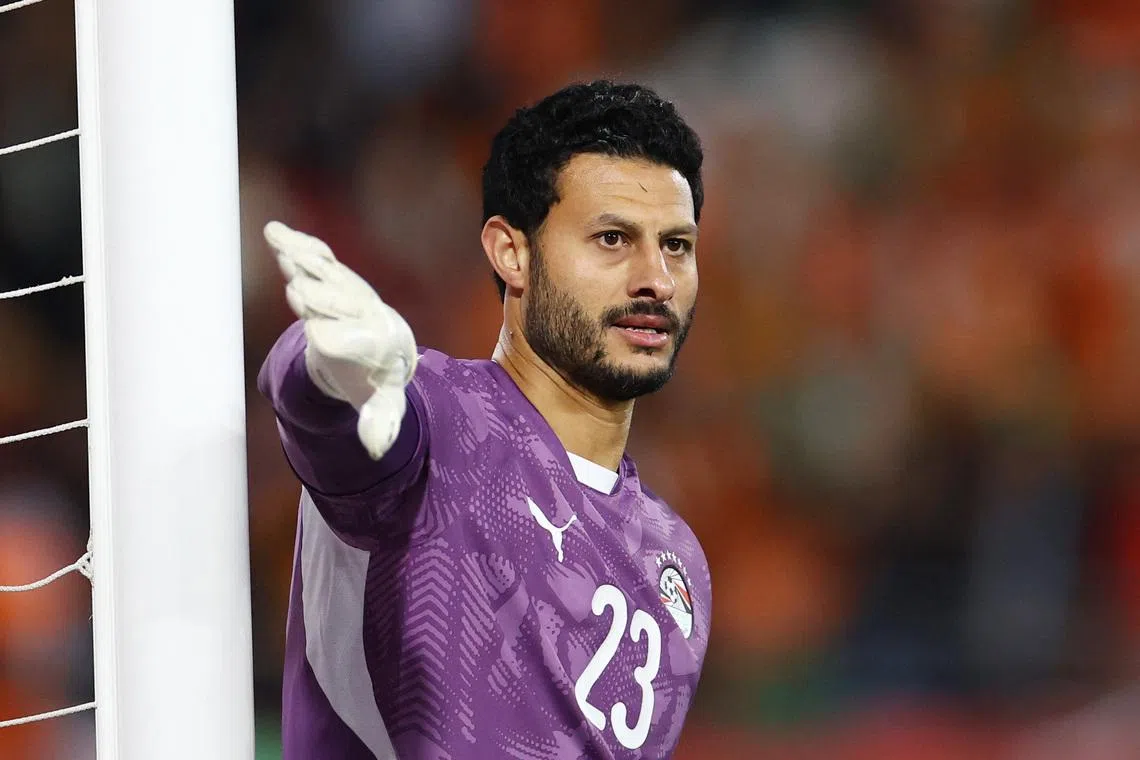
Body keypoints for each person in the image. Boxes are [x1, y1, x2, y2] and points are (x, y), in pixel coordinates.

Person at [259, 80, 711, 760]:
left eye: (676, 245)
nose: (656, 279)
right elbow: (334, 418)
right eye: (613, 238)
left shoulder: (676, 562)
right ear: (512, 252)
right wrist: (328, 366)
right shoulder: (436, 420)